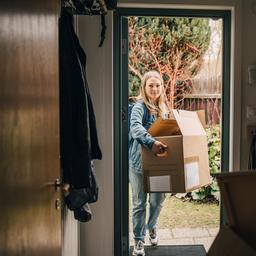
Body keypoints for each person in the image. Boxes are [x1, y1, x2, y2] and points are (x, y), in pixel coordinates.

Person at [129, 70, 170, 256]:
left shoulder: (163, 108)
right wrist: (151, 142)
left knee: (157, 200)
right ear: (144, 87)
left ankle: (152, 226)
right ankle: (138, 240)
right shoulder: (140, 107)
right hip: (138, 161)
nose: (154, 89)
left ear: (162, 87)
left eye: (158, 85)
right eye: (150, 85)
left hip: (160, 162)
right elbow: (136, 128)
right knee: (139, 203)